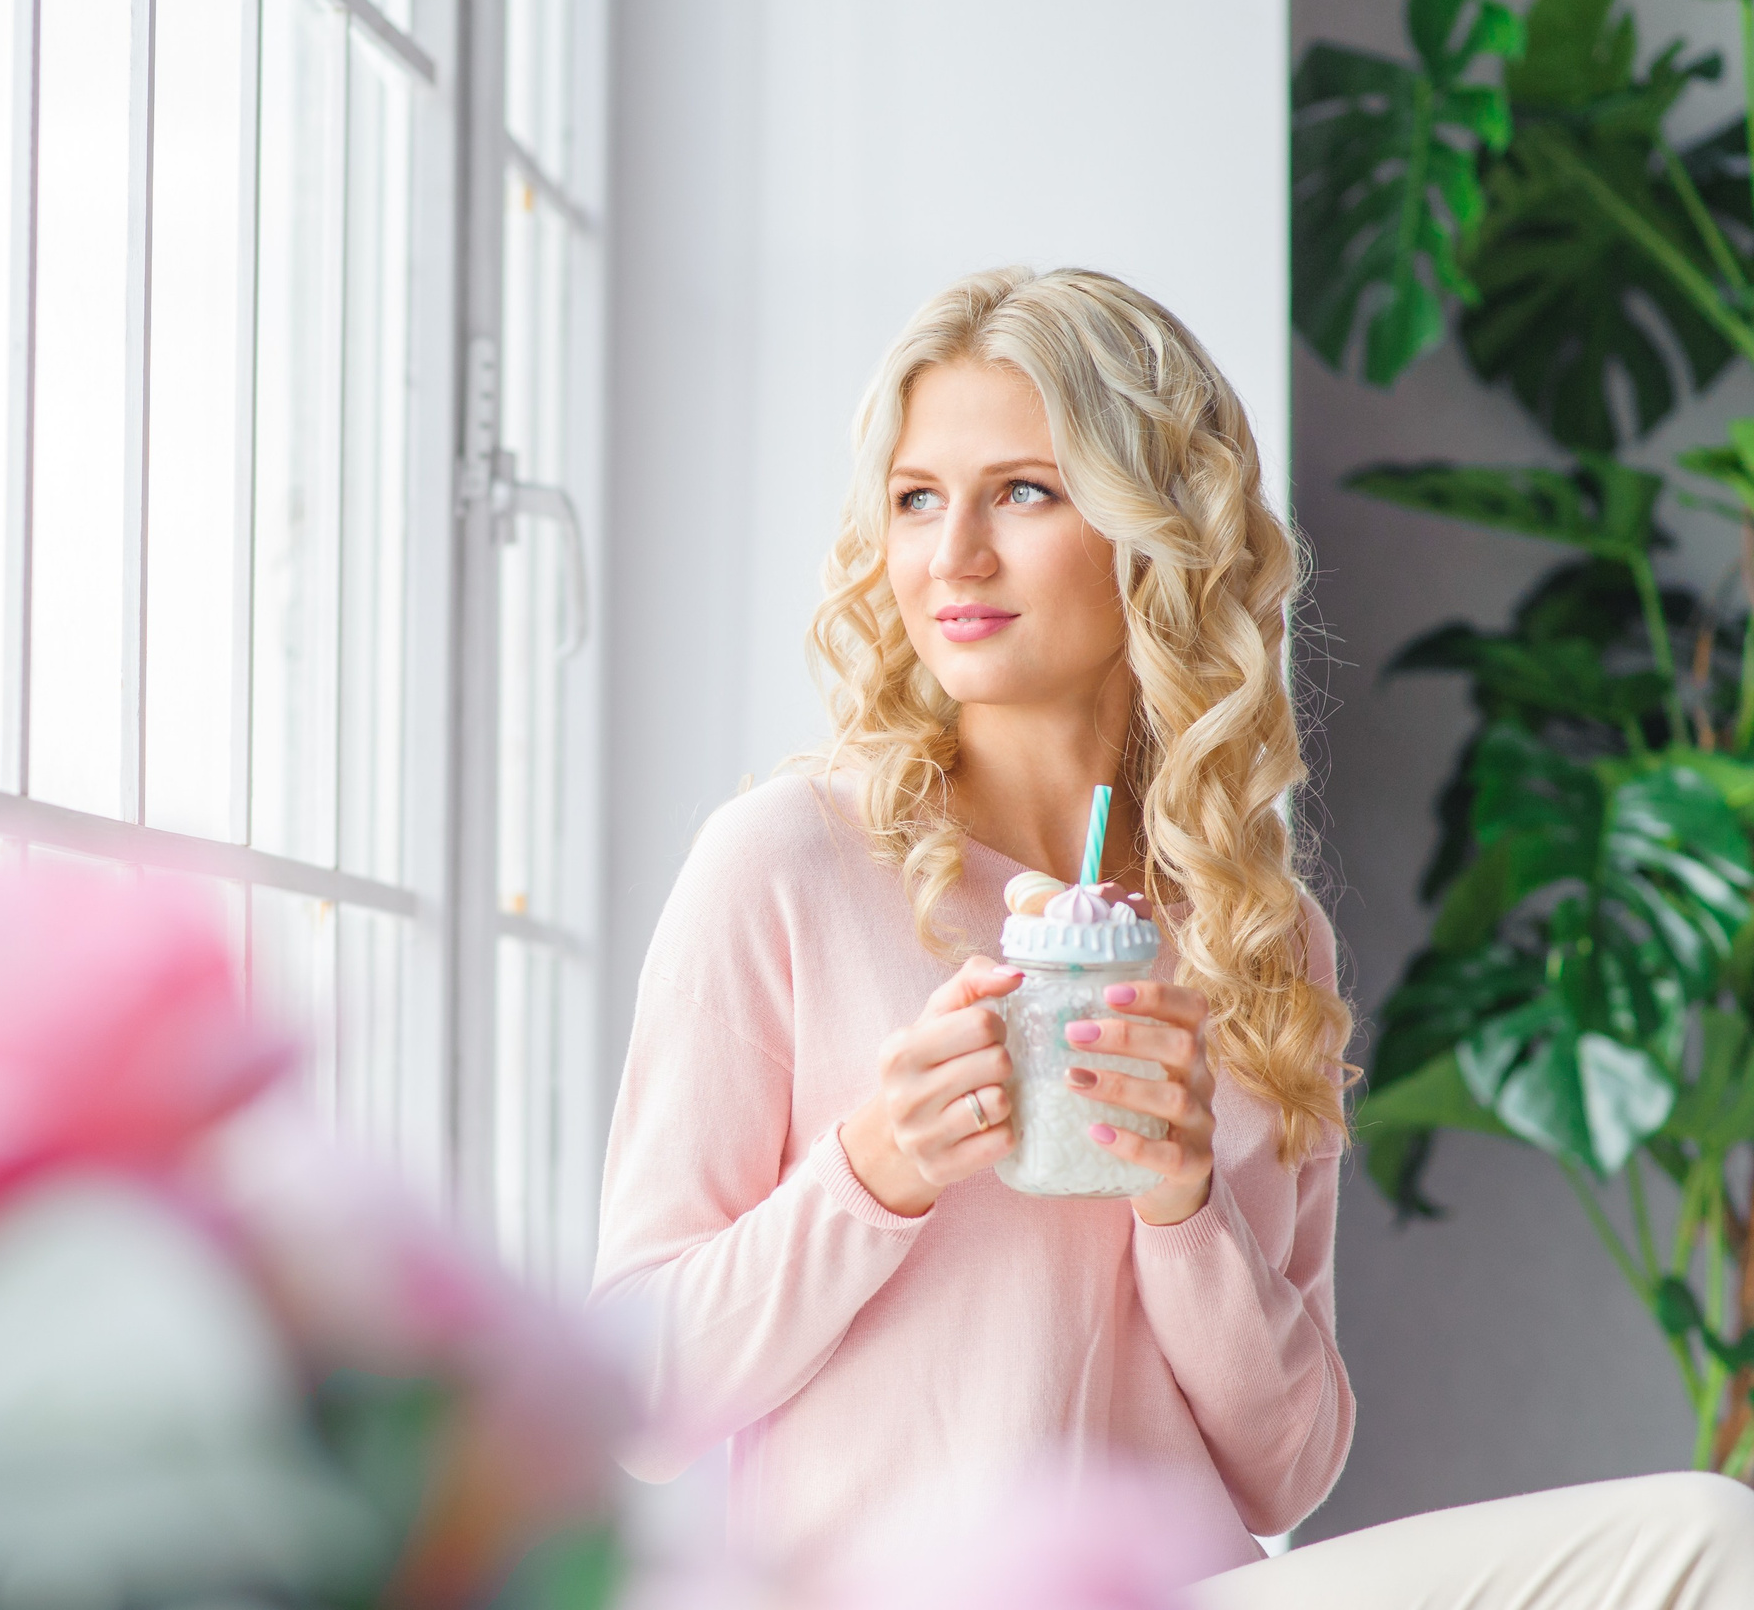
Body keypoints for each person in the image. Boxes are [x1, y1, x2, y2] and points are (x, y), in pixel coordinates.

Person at [588, 266, 1754, 1607]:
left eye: (1023, 490)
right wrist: (874, 1168)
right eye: (917, 499)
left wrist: (1183, 1202)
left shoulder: (1261, 938)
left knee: (1708, 1544)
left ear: (1152, 529)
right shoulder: (786, 864)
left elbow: (1285, 1472)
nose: (952, 554)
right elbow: (639, 1395)